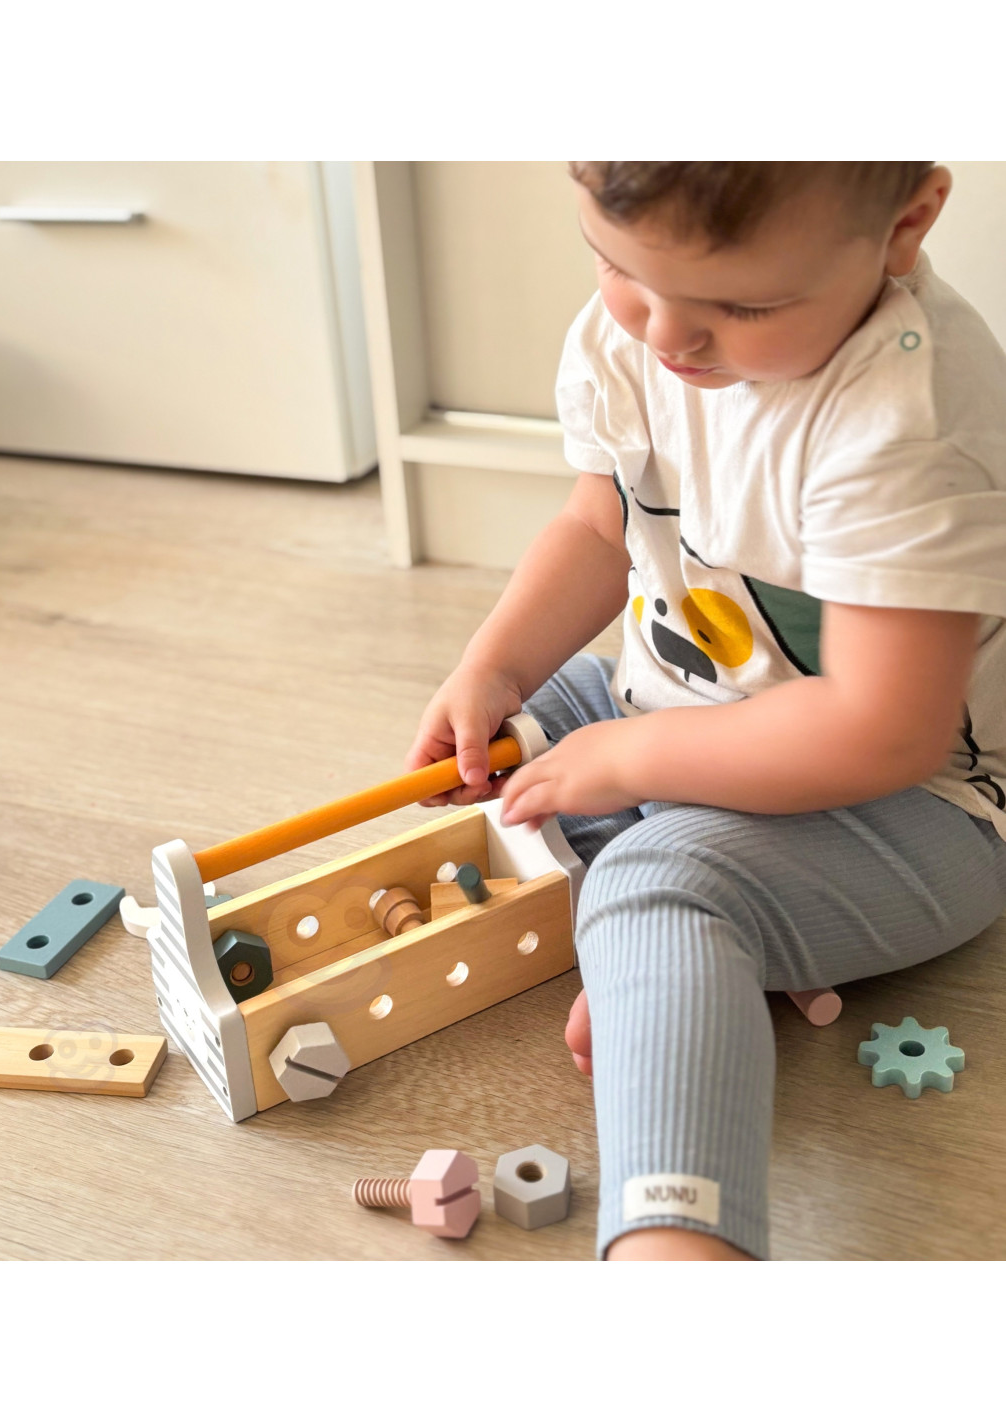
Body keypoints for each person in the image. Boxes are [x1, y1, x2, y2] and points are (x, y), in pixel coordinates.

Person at [404, 162, 1006, 1261]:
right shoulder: (633, 328)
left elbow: (886, 731)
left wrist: (637, 761)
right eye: (617, 267)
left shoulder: (906, 427)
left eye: (743, 306)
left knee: (652, 882)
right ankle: (692, 966)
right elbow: (600, 526)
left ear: (905, 224)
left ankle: (677, 1250)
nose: (665, 334)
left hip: (921, 803)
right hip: (684, 698)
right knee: (499, 748)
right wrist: (494, 664)